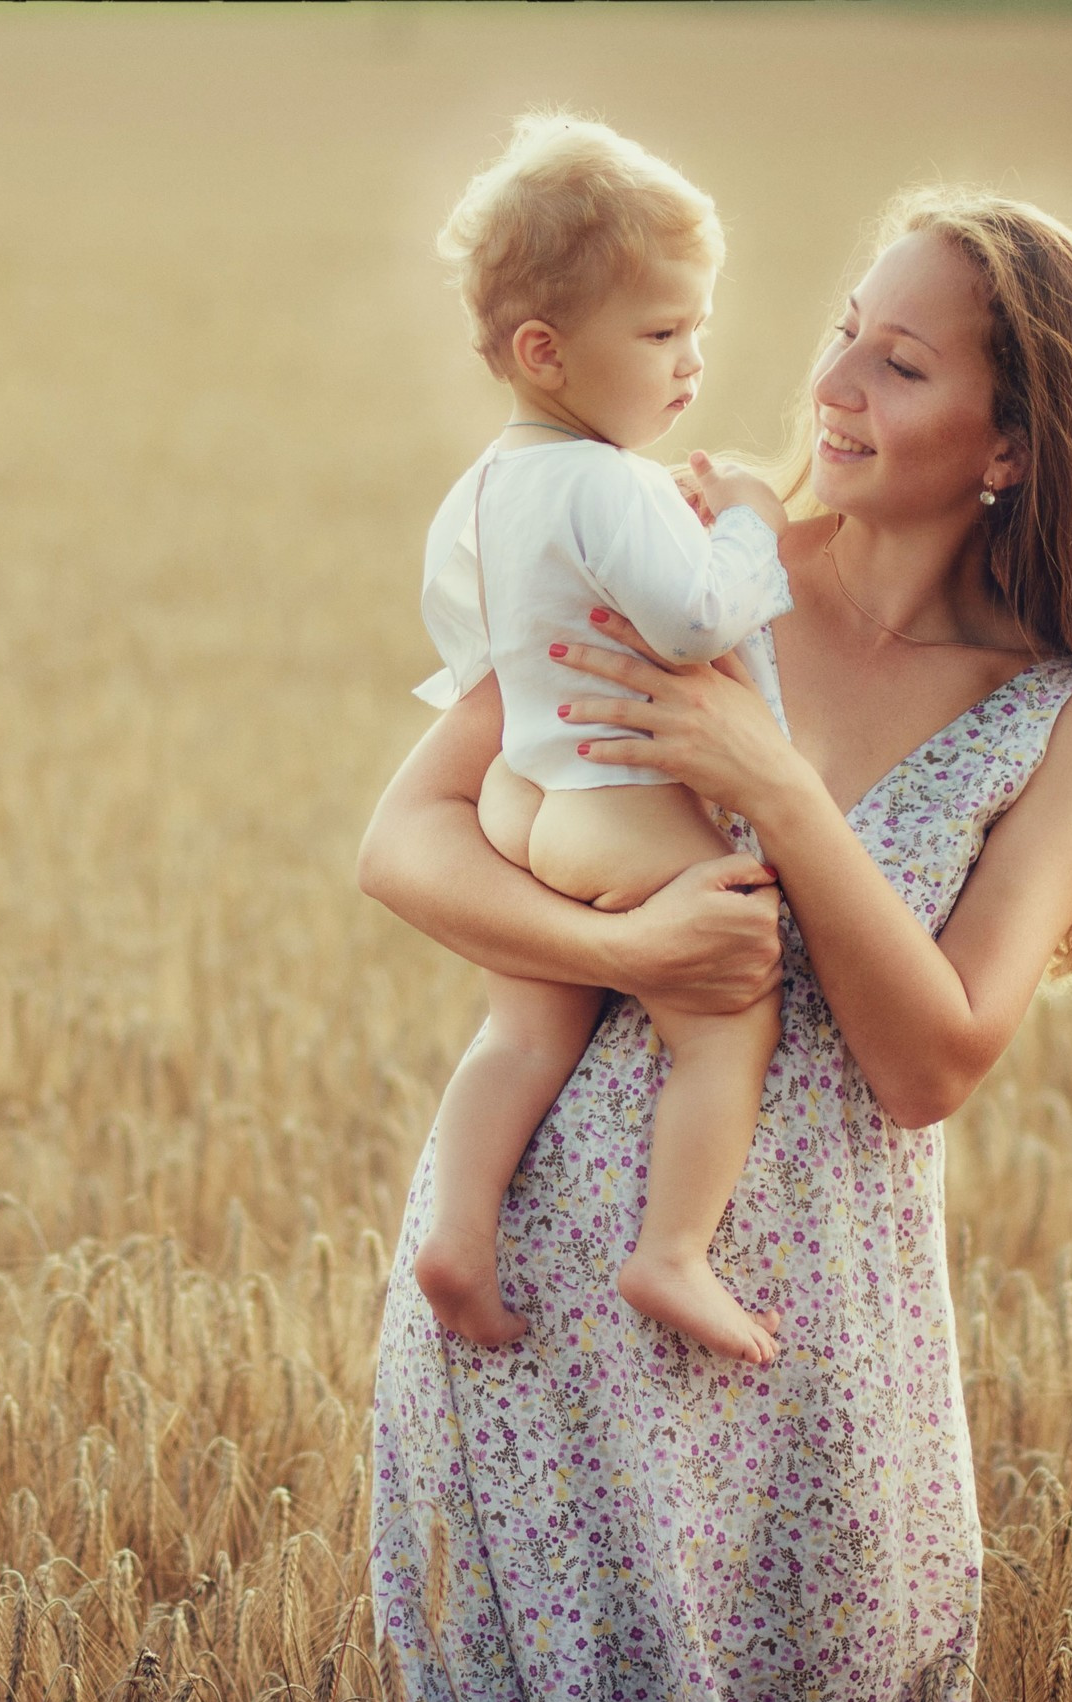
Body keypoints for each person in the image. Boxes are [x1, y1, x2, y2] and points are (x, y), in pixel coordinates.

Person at [363, 185, 1072, 1702]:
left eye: (899, 364)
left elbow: (932, 1062)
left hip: (808, 1349)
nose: (832, 382)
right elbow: (406, 839)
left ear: (1010, 447)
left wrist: (775, 788)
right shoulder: (689, 567)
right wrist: (634, 949)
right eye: (846, 333)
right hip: (531, 1306)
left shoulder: (1069, 723)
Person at [407, 113, 801, 1363]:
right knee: (727, 1014)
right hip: (610, 793)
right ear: (545, 350)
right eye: (661, 332)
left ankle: (458, 1234)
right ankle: (671, 1250)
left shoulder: (482, 487)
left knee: (523, 1031)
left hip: (519, 791)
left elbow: (467, 648)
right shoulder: (608, 480)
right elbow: (692, 618)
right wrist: (746, 523)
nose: (692, 360)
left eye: (697, 328)